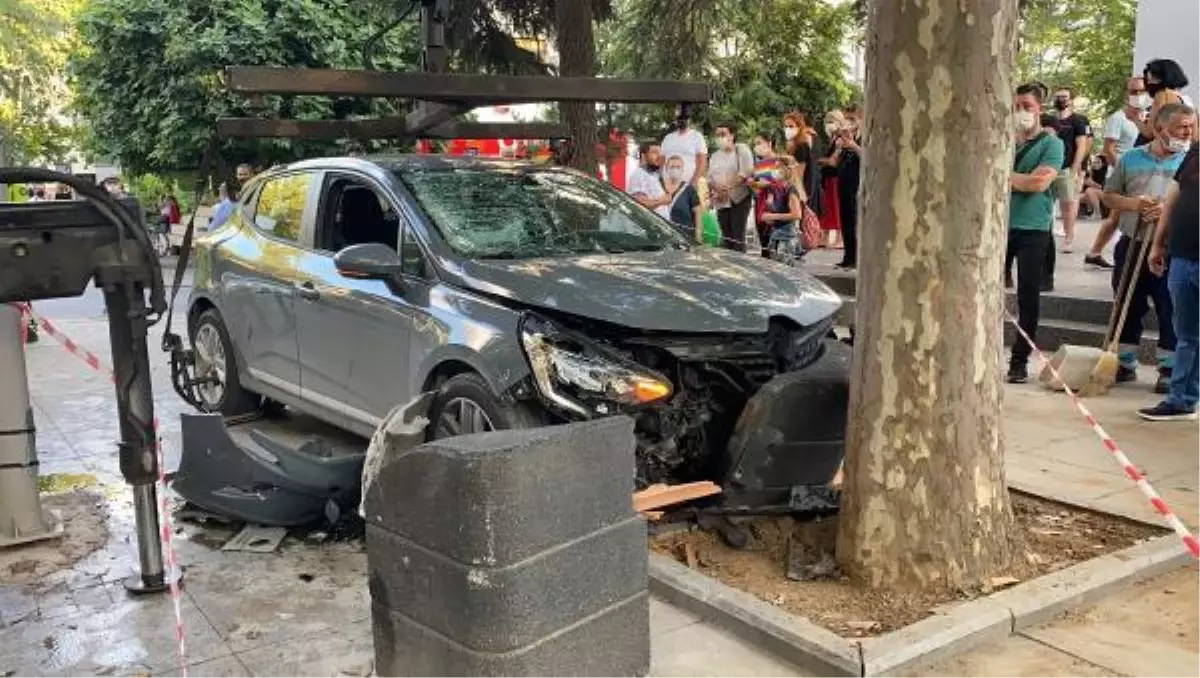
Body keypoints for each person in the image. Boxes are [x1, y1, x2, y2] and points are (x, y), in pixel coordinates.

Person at [1101, 103, 1194, 394]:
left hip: (1170, 247)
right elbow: (1109, 196)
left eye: (1191, 127)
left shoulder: (1191, 161)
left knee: (1170, 308)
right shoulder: (1130, 159)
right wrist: (1134, 204)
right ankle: (1124, 362)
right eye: (1181, 127)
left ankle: (1168, 367)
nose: (1187, 133)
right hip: (1131, 241)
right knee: (1127, 303)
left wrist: (1167, 208)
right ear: (1159, 129)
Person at [1007, 83, 1066, 384]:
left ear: (1039, 108)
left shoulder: (1052, 144)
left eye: (1027, 106)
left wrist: (1002, 177)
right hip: (1001, 227)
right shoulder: (1004, 142)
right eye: (1016, 106)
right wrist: (1020, 179)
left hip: (1034, 229)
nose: (1021, 112)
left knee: (1028, 297)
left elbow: (1039, 183)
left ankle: (1019, 360)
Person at [1143, 114, 1200, 421]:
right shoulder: (1194, 153)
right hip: (1182, 255)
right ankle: (1181, 399)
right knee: (1187, 334)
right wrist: (1158, 243)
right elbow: (1172, 198)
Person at [1085, 77, 1152, 269]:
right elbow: (1109, 149)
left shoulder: (1147, 117)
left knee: (1116, 218)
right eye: (1133, 91)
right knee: (1116, 217)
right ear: (1126, 93)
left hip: (1143, 175)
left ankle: (1095, 252)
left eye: (1142, 91)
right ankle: (1096, 252)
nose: (1138, 95)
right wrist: (1124, 172)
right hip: (1123, 176)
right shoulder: (1118, 118)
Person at [1050, 87, 1092, 254]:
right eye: (1058, 96)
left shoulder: (1078, 121)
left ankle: (1069, 237)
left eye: (1064, 97)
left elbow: (1082, 146)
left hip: (1068, 168)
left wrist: (1076, 169)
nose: (1061, 100)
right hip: (1051, 167)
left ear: (1071, 100)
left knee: (1068, 203)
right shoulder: (1050, 120)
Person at [706, 122, 755, 252]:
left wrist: (726, 188)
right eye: (717, 135)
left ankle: (741, 265)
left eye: (723, 134)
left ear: (732, 135)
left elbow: (745, 173)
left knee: (738, 237)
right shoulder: (715, 156)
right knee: (726, 237)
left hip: (738, 199)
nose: (719, 137)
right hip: (721, 200)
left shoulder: (741, 149)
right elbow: (709, 178)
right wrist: (717, 189)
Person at [830, 105, 863, 269]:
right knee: (845, 221)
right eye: (847, 119)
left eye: (852, 119)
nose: (848, 123)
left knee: (854, 221)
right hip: (843, 184)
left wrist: (854, 146)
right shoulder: (843, 141)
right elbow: (833, 163)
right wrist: (838, 148)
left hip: (856, 184)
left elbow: (867, 157)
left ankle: (856, 258)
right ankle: (847, 257)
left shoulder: (862, 139)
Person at [758, 155, 806, 263]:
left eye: (778, 167)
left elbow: (797, 214)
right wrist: (768, 216)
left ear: (787, 170)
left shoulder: (791, 190)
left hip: (787, 237)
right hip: (776, 235)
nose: (774, 170)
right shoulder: (776, 189)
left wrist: (772, 216)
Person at [1139, 59, 1192, 142]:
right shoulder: (1185, 99)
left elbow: (1149, 133)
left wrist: (1134, 117)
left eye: (1152, 76)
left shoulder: (1162, 96)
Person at [783, 111, 821, 220]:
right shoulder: (792, 144)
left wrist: (799, 196)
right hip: (795, 188)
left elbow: (799, 174)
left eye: (791, 126)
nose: (788, 129)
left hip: (802, 190)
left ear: (799, 127)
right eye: (785, 126)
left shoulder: (801, 146)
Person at [817, 110, 845, 249]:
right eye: (827, 122)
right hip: (827, 178)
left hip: (836, 177)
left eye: (832, 121)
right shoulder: (831, 139)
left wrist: (821, 160)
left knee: (836, 207)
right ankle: (826, 235)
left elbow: (834, 161)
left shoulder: (840, 139)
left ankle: (840, 237)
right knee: (827, 207)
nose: (829, 125)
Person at [661, 105, 707, 186]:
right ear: (676, 119)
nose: (682, 121)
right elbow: (662, 161)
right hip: (668, 185)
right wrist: (662, 180)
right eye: (680, 119)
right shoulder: (668, 138)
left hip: (688, 184)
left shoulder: (697, 136)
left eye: (685, 118)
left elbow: (702, 162)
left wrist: (694, 182)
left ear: (689, 120)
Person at [661, 155, 703, 241]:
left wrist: (698, 237)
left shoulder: (689, 189)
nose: (675, 170)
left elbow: (698, 214)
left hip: (684, 237)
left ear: (682, 169)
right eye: (672, 167)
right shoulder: (658, 186)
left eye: (678, 167)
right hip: (662, 235)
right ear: (666, 168)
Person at [627, 142, 669, 218]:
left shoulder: (654, 175)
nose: (659, 156)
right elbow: (640, 205)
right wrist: (661, 201)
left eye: (660, 153)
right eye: (654, 152)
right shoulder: (638, 175)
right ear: (643, 156)